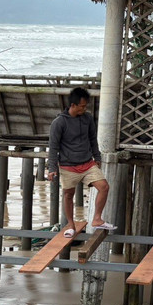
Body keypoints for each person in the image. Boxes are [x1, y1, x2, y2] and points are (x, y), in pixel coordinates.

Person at [46, 87, 110, 237]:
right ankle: (70, 224)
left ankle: (97, 219)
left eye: (86, 106)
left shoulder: (87, 119)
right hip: (68, 166)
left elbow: (93, 139)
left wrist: (97, 157)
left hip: (87, 163)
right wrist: (51, 168)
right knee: (68, 194)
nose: (84, 108)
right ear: (73, 105)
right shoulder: (59, 123)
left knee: (104, 187)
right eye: (82, 106)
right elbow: (53, 147)